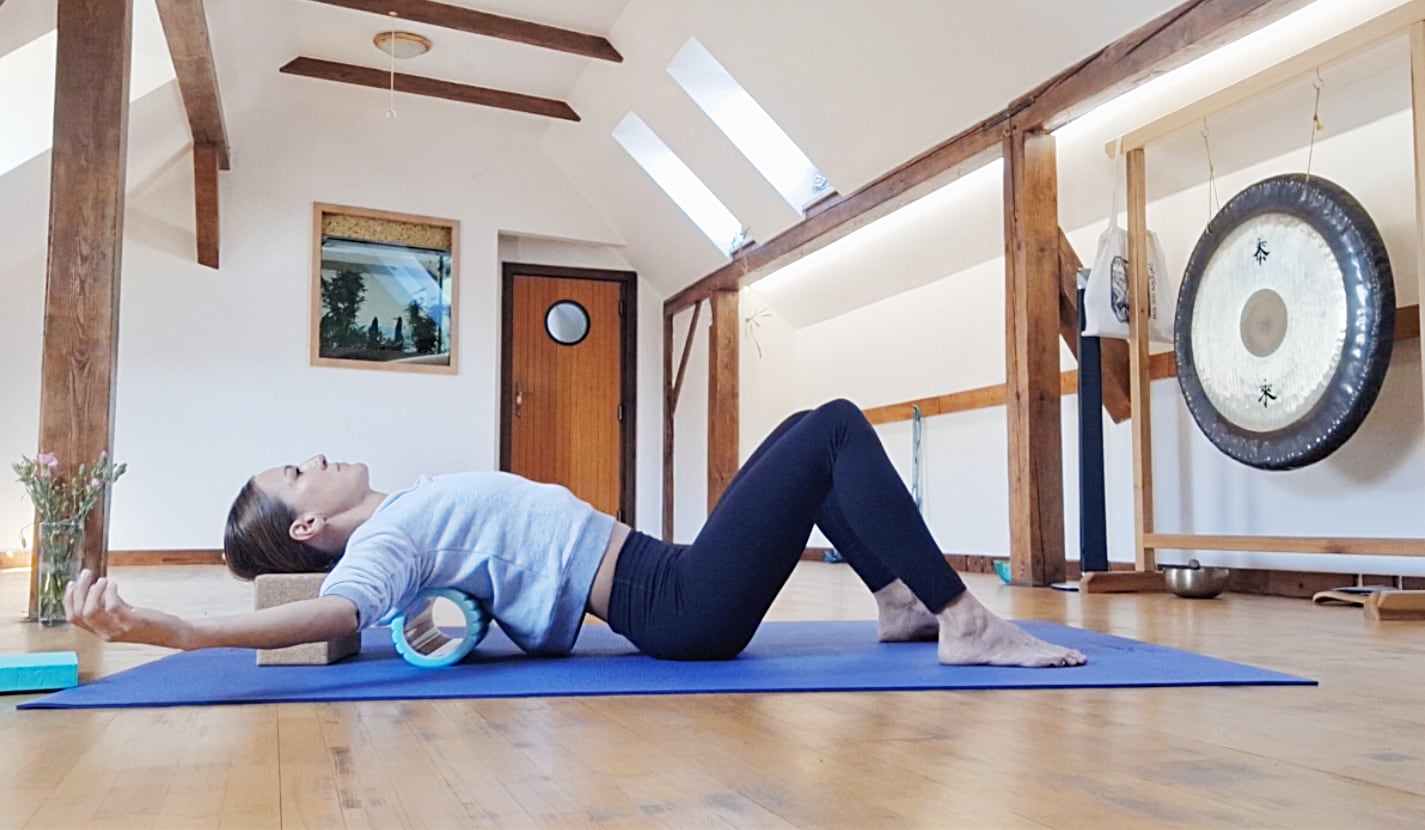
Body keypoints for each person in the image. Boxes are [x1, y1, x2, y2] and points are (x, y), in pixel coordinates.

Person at [66, 399, 1086, 668]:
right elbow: (335, 612)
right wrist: (178, 630)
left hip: (666, 577)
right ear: (308, 520)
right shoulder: (381, 547)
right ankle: (961, 617)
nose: (316, 455)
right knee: (834, 429)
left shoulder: (400, 512)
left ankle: (899, 600)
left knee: (801, 432)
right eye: (298, 470)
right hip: (677, 605)